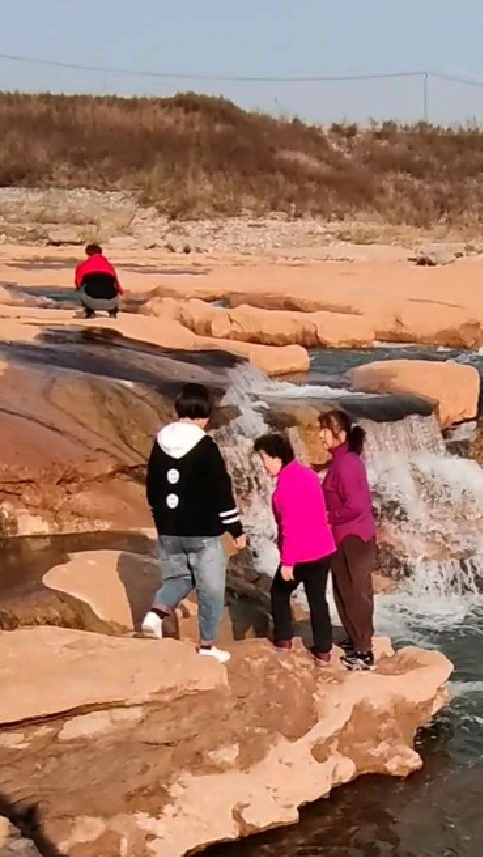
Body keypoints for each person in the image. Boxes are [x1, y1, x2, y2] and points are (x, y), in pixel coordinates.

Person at [139, 383, 246, 664]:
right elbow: (221, 491)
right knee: (210, 589)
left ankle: (155, 614)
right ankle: (208, 646)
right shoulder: (205, 446)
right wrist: (236, 530)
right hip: (202, 532)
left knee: (180, 578)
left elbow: (151, 487)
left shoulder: (160, 442)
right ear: (204, 414)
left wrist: (162, 516)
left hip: (169, 529)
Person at [254, 432, 336, 665]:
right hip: (323, 548)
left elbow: (291, 529)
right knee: (317, 599)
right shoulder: (308, 474)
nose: (263, 464)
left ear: (276, 457)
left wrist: (288, 563)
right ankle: (323, 651)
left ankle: (283, 640)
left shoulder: (283, 491)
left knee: (279, 593)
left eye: (264, 458)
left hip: (301, 554)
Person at [320, 409, 377, 670]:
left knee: (354, 593)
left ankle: (364, 653)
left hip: (352, 537)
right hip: (349, 535)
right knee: (345, 590)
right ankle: (357, 640)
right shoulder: (343, 460)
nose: (321, 436)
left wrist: (327, 516)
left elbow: (355, 506)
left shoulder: (345, 464)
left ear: (340, 434)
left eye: (325, 430)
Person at [74, 243, 122, 318]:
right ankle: (112, 312)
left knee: (80, 289)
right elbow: (118, 286)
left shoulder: (82, 266)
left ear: (87, 253)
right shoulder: (109, 266)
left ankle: (90, 311)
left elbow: (78, 284)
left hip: (91, 301)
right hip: (111, 302)